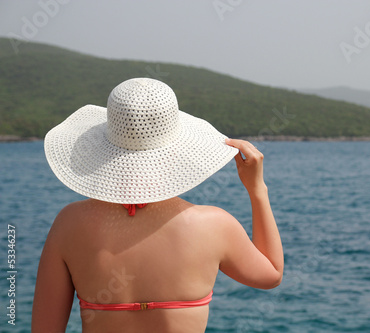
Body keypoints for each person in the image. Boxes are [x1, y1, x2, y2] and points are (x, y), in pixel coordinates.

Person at [31, 78, 283, 332]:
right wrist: (257, 190)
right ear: (178, 150)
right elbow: (272, 274)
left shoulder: (70, 223)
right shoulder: (214, 225)